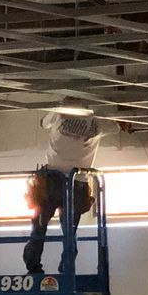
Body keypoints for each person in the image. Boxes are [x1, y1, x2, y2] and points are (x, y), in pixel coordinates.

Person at [24, 111, 104, 275]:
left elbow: (43, 123)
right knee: (70, 231)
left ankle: (33, 268)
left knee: (39, 227)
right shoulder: (99, 120)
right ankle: (67, 269)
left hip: (51, 181)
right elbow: (117, 127)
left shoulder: (60, 113)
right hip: (77, 183)